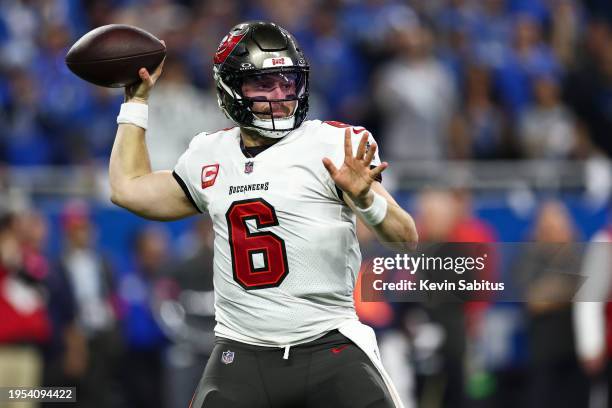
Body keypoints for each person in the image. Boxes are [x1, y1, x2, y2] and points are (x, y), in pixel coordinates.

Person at [109, 21, 418, 408]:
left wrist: (366, 200)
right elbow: (128, 188)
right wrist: (135, 104)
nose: (281, 95)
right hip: (242, 355)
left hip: (330, 346)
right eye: (264, 83)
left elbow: (405, 238)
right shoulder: (210, 155)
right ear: (230, 89)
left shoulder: (331, 145)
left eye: (288, 82)